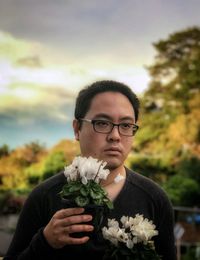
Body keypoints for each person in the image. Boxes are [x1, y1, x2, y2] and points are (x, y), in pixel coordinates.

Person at [4, 80, 177, 260]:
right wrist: (45, 241)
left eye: (126, 125)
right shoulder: (45, 196)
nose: (115, 136)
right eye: (102, 123)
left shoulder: (154, 199)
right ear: (77, 129)